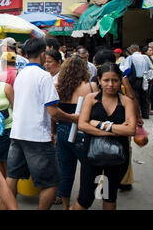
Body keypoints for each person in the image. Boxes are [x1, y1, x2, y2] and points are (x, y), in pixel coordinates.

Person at [6, 38, 79, 210]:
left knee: (12, 176)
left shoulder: (20, 74)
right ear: (42, 54)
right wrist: (73, 118)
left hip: (17, 133)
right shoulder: (44, 76)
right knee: (52, 182)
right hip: (37, 136)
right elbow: (53, 111)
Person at [71, 63, 136, 210]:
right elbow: (82, 125)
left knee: (109, 194)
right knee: (86, 197)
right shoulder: (91, 98)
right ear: (99, 80)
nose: (111, 84)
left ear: (120, 81)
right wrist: (116, 130)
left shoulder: (126, 101)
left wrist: (100, 125)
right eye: (106, 80)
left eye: (115, 80)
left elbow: (131, 130)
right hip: (91, 155)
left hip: (117, 157)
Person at [54, 55, 98, 209]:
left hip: (62, 130)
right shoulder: (91, 87)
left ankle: (66, 205)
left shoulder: (60, 87)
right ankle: (80, 202)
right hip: (82, 133)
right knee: (88, 170)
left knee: (66, 170)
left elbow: (54, 112)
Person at [123, 44, 152, 119]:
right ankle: (145, 114)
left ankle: (136, 114)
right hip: (144, 79)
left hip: (134, 80)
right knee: (145, 97)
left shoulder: (130, 58)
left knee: (135, 97)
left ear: (131, 50)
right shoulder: (145, 57)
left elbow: (127, 69)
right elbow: (150, 67)